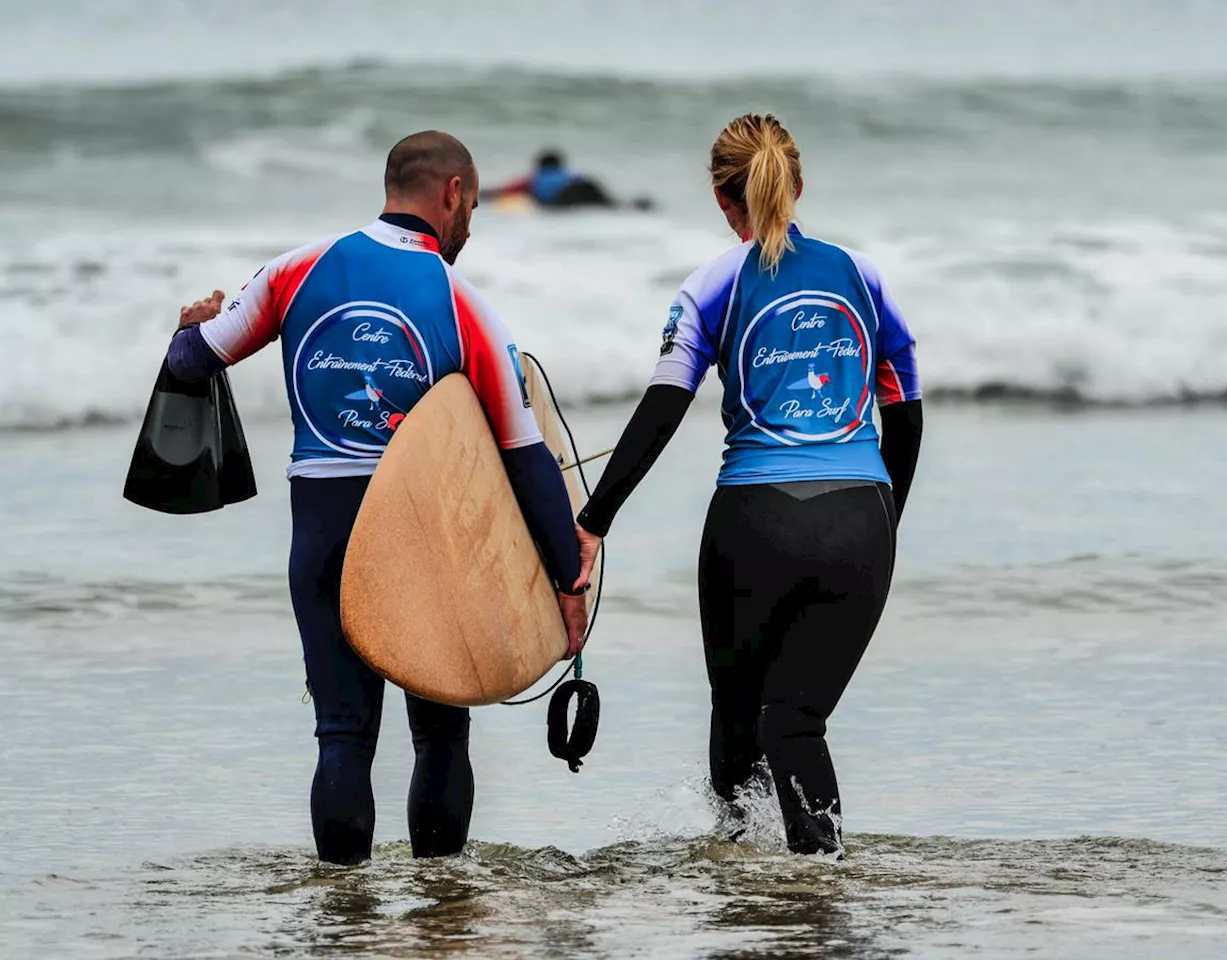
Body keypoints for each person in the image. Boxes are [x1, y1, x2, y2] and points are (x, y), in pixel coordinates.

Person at [166, 131, 590, 865]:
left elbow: (190, 362)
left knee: (342, 733)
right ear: (452, 193)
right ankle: (438, 910)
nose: (471, 226)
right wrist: (568, 577)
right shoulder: (462, 302)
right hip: (427, 540)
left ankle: (342, 915)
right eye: (474, 207)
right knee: (440, 733)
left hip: (323, 536)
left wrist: (189, 326)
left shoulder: (293, 271)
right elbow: (525, 454)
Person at [571, 114, 924, 856]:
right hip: (860, 523)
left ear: (719, 196)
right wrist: (885, 516)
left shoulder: (711, 286)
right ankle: (819, 884)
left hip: (753, 524)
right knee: (797, 722)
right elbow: (906, 407)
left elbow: (662, 410)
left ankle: (746, 887)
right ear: (798, 185)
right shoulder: (863, 276)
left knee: (739, 725)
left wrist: (593, 520)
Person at [481, 149, 650, 210]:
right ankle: (636, 205)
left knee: (557, 210)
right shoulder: (568, 173)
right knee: (612, 205)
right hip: (587, 184)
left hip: (564, 194)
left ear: (539, 165)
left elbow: (503, 191)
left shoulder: (533, 178)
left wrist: (480, 195)